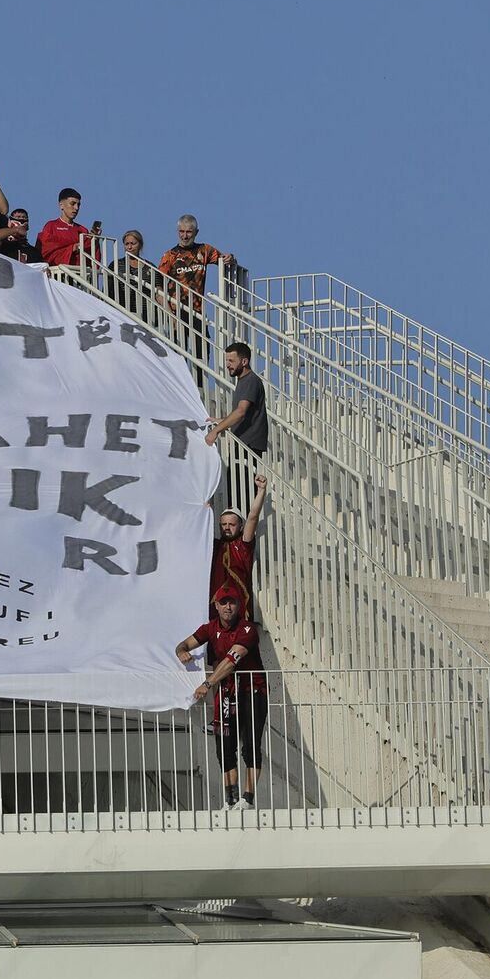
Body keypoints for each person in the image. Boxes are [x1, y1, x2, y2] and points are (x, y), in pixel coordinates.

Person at [178, 587, 269, 809]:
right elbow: (184, 644)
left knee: (250, 745)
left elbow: (230, 661)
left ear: (239, 606)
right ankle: (231, 800)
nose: (228, 607)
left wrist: (207, 684)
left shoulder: (247, 629)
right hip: (227, 694)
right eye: (223, 602)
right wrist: (181, 651)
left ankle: (247, 800)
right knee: (224, 746)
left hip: (252, 691)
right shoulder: (210, 628)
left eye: (232, 602)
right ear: (216, 606)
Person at [155, 214, 233, 366]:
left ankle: (200, 379)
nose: (185, 236)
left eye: (189, 232)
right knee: (178, 354)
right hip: (176, 310)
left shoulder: (204, 250)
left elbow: (224, 260)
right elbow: (158, 284)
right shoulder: (170, 255)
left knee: (202, 351)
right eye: (181, 232)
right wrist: (170, 314)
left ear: (196, 232)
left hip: (197, 310)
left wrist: (231, 258)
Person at [212, 473, 269, 618]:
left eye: (231, 524)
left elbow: (253, 517)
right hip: (215, 609)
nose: (227, 527)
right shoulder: (214, 546)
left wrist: (261, 490)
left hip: (238, 609)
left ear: (240, 526)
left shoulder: (243, 545)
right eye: (224, 524)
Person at [205, 342, 269, 456]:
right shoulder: (244, 380)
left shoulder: (250, 380)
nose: (227, 365)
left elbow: (240, 412)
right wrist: (221, 421)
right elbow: (245, 414)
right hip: (243, 444)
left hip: (248, 446)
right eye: (227, 360)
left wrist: (216, 431)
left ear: (244, 362)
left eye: (231, 361)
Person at [34, 189, 92, 267]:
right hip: (59, 271)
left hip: (80, 272)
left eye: (78, 205)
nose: (76, 208)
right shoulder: (51, 226)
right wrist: (72, 248)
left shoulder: (83, 229)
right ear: (61, 205)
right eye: (72, 204)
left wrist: (94, 239)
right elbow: (45, 252)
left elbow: (91, 255)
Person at [110, 230, 157, 313]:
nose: (129, 247)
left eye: (133, 243)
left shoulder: (150, 267)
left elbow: (159, 290)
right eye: (126, 244)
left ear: (140, 245)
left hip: (148, 314)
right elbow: (108, 287)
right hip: (122, 312)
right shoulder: (116, 264)